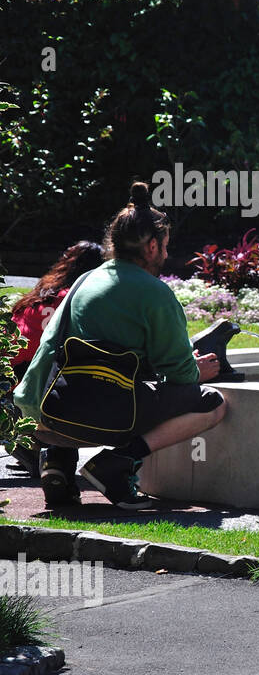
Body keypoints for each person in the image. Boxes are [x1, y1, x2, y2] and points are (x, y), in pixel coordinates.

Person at [13, 183, 228, 509]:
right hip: (111, 419)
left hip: (50, 415)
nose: (167, 255)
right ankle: (117, 465)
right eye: (166, 246)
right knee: (213, 404)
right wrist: (196, 371)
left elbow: (49, 346)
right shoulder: (156, 294)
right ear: (153, 245)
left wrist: (29, 408)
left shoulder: (85, 281)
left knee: (81, 377)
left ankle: (57, 464)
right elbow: (180, 376)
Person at [3, 240, 105, 478]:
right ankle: (32, 445)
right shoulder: (81, 300)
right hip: (47, 391)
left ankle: (30, 444)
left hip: (11, 383)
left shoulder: (37, 298)